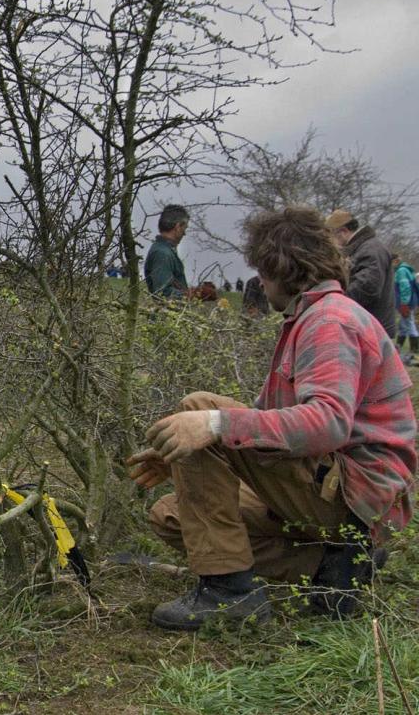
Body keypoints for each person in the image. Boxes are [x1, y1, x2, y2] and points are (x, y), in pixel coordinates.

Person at [128, 207, 415, 631]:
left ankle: (228, 591)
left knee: (198, 407)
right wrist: (181, 454)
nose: (260, 282)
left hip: (358, 497)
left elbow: (327, 423)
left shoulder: (331, 321)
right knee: (171, 515)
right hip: (334, 491)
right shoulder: (309, 318)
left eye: (262, 270)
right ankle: (335, 570)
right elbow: (268, 422)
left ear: (282, 267)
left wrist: (210, 426)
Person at [326, 209, 397, 338]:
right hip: (372, 325)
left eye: (332, 236)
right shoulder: (366, 247)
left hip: (375, 328)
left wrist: (334, 301)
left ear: (343, 232)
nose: (332, 243)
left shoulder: (370, 250)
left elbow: (368, 288)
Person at [144, 205, 190, 299]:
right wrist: (193, 295)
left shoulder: (164, 251)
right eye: (184, 228)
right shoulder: (162, 254)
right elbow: (163, 293)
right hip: (165, 312)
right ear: (177, 227)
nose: (184, 233)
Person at [394, 255, 418, 365]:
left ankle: (415, 349)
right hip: (410, 301)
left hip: (406, 303)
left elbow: (405, 287)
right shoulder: (406, 269)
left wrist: (404, 303)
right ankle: (398, 347)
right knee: (403, 326)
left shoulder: (401, 271)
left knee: (409, 324)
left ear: (395, 261)